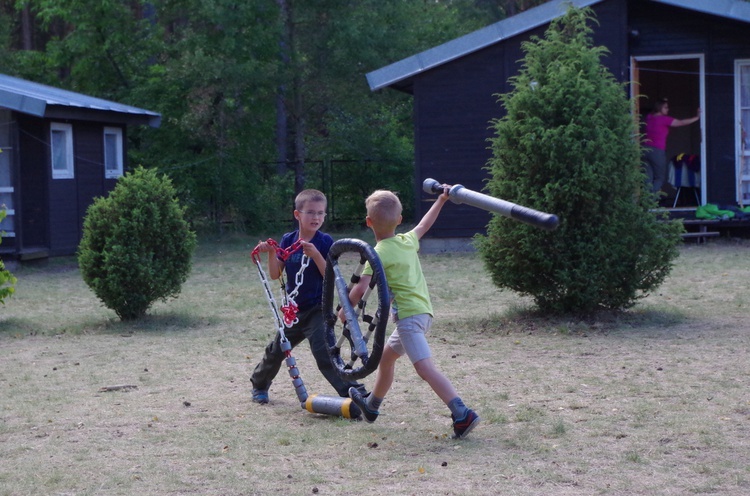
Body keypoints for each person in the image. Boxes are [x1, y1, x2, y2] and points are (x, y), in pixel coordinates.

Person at [341, 187, 480, 439]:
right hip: (423, 313)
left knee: (424, 368)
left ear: (368, 222)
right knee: (386, 358)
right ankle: (372, 407)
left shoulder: (378, 253)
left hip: (408, 318)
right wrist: (440, 200)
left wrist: (345, 310)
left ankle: (462, 412)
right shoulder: (407, 241)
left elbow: (360, 288)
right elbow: (425, 224)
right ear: (400, 220)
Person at [251, 189, 363, 405]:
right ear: (297, 214)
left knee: (324, 353)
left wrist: (316, 255)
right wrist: (272, 253)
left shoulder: (325, 241)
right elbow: (275, 274)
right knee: (276, 350)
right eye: (310, 212)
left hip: (317, 310)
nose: (316, 218)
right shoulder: (288, 240)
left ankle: (352, 391)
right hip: (294, 311)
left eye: (321, 213)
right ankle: (259, 385)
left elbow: (330, 275)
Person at [643, 97, 701, 193]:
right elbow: (681, 122)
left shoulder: (649, 117)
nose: (668, 109)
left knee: (647, 178)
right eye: (666, 107)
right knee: (659, 178)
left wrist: (663, 100)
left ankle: (645, 204)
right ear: (660, 108)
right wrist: (697, 117)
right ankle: (651, 201)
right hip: (657, 151)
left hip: (645, 150)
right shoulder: (664, 119)